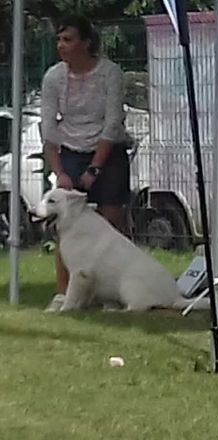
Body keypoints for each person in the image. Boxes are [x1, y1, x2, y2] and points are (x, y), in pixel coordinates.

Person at [40, 15, 130, 312]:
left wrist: (95, 168)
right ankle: (64, 293)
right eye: (59, 40)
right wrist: (60, 172)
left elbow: (112, 123)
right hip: (70, 151)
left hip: (107, 149)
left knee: (111, 219)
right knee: (65, 225)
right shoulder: (54, 77)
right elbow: (49, 129)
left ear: (86, 42)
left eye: (68, 40)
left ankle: (113, 292)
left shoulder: (109, 73)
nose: (61, 46)